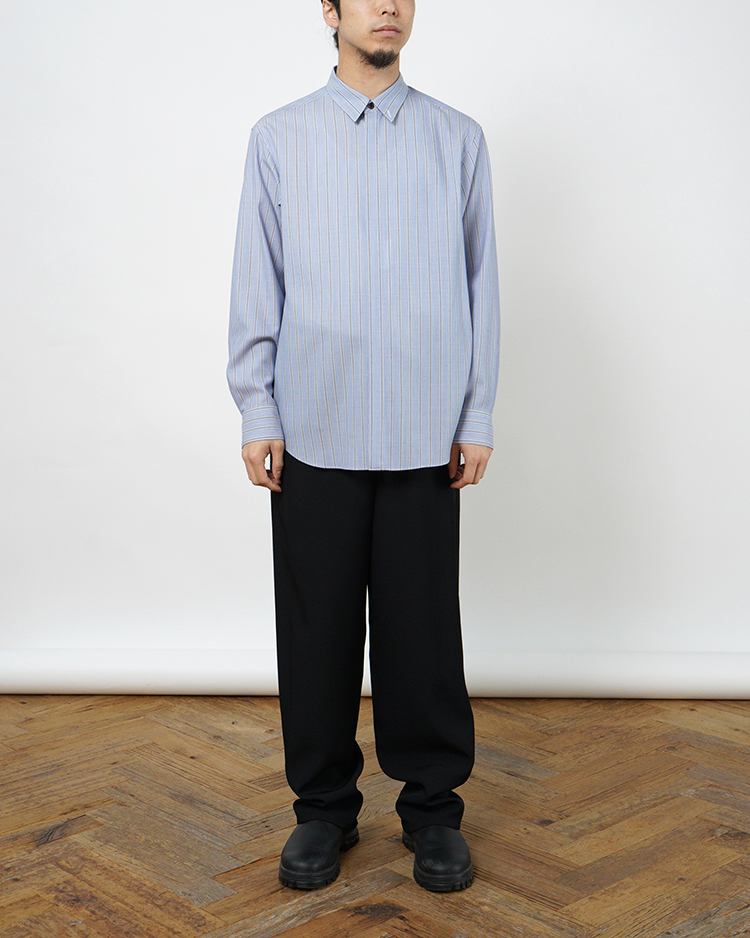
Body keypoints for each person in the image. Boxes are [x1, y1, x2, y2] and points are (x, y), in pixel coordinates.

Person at [227, 0, 500, 893]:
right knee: (318, 630)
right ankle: (322, 810)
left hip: (426, 429)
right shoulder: (279, 138)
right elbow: (258, 275)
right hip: (317, 424)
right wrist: (258, 409)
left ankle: (433, 812)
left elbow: (481, 283)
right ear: (330, 10)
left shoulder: (457, 139)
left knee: (425, 632)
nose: (389, 6)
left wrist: (476, 415)